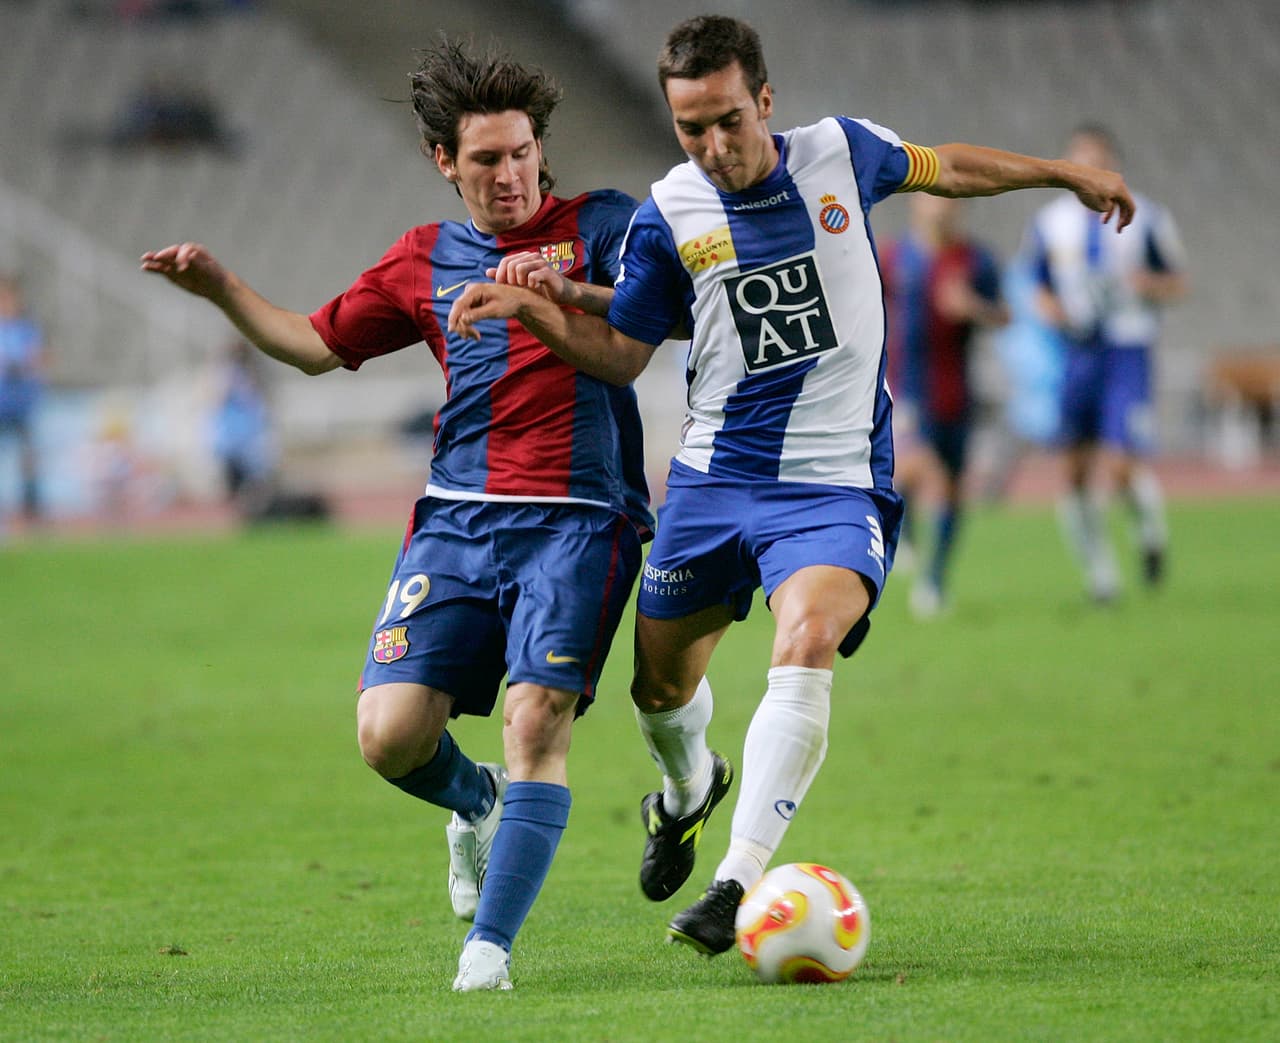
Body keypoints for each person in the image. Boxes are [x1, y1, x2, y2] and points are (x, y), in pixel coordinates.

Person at [448, 14, 1134, 956]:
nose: (715, 145)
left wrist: (1064, 174)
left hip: (834, 482)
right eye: (692, 128)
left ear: (764, 100)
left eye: (730, 119)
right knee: (658, 687)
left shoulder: (842, 154)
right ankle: (689, 791)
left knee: (806, 635)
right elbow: (626, 346)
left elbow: (949, 166)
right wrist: (543, 303)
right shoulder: (669, 213)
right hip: (711, 480)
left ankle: (737, 880)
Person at [141, 39, 651, 992]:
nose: (510, 174)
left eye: (522, 151)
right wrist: (219, 288)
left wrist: (534, 303)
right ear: (442, 162)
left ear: (541, 145)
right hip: (456, 520)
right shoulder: (423, 258)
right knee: (389, 737)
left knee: (536, 717)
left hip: (580, 517)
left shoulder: (606, 226)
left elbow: (631, 338)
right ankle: (476, 802)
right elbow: (311, 346)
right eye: (487, 159)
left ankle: (487, 951)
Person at [1026, 124, 1186, 601]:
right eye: (1081, 160)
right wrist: (1050, 309)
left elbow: (1176, 281)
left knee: (1118, 466)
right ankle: (1102, 576)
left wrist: (1148, 285)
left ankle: (1150, 532)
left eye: (1098, 159)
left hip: (1125, 349)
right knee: (1074, 470)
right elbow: (1036, 284)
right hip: (1077, 352)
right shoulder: (1049, 223)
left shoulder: (1148, 217)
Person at [882, 194, 1008, 617]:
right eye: (931, 198)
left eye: (948, 200)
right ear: (916, 203)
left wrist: (971, 307)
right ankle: (903, 530)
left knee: (953, 488)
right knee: (913, 469)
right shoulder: (894, 258)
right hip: (905, 388)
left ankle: (933, 580)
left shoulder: (976, 260)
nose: (940, 207)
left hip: (955, 391)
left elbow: (1005, 315)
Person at [0, 274, 47, 525]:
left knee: (27, 459)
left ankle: (31, 513)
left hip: (22, 404)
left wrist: (22, 365)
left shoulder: (26, 330)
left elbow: (37, 360)